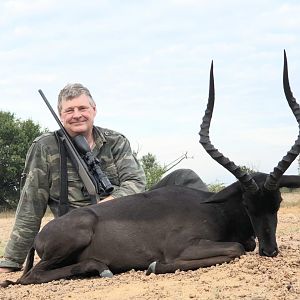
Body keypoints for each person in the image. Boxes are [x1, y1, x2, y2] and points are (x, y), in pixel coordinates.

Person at [0, 83, 208, 273]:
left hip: (130, 220)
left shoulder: (115, 141)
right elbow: (30, 205)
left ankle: (215, 235)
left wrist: (109, 203)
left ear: (94, 110)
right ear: (61, 115)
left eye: (82, 109)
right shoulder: (45, 147)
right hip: (86, 233)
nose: (77, 115)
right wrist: (11, 261)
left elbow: (136, 183)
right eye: (69, 110)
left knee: (184, 178)